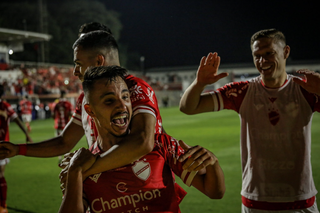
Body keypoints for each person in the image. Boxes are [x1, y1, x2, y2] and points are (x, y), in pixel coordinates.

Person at [179, 29, 320, 212]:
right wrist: (199, 84)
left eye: (269, 53)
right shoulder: (243, 91)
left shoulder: (305, 90)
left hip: (300, 200)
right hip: (256, 201)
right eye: (257, 56)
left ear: (285, 52)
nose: (262, 61)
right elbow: (188, 107)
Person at [0, 28, 163, 181]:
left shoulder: (134, 87)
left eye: (78, 63)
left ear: (99, 61)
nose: (75, 71)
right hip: (104, 190)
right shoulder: (85, 99)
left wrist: (82, 171)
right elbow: (64, 142)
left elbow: (143, 141)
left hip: (142, 191)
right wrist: (18, 149)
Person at [58, 65, 225, 213]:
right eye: (109, 101)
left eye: (125, 97)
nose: (122, 106)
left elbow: (215, 192)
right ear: (90, 111)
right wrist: (74, 173)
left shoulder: (160, 144)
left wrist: (212, 163)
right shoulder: (82, 165)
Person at [0, 84, 33, 213]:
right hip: (3, 145)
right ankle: (3, 205)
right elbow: (17, 120)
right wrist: (26, 134)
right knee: (1, 175)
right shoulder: (6, 106)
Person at [52, 90, 73, 163]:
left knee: (58, 142)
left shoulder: (56, 103)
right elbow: (71, 114)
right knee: (67, 142)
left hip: (58, 125)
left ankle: (59, 157)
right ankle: (67, 158)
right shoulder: (68, 103)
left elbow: (53, 115)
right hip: (66, 125)